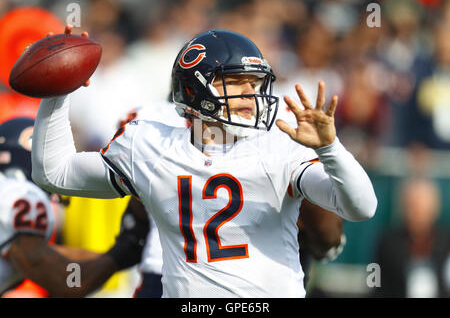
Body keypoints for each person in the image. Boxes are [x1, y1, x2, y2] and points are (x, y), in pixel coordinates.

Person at [32, 26, 377, 297]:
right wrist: (57, 92)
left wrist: (330, 148)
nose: (251, 95)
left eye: (255, 84)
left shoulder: (280, 143)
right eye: (236, 82)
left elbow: (362, 207)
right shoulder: (150, 143)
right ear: (196, 89)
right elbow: (54, 173)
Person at [0, 117, 148, 297]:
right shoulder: (19, 196)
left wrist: (111, 255)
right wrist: (124, 251)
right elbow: (68, 281)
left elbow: (53, 255)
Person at [373, 177, 450, 298]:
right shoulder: (388, 243)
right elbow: (374, 282)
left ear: (433, 209)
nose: (416, 213)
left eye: (421, 208)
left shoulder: (446, 243)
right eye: (412, 206)